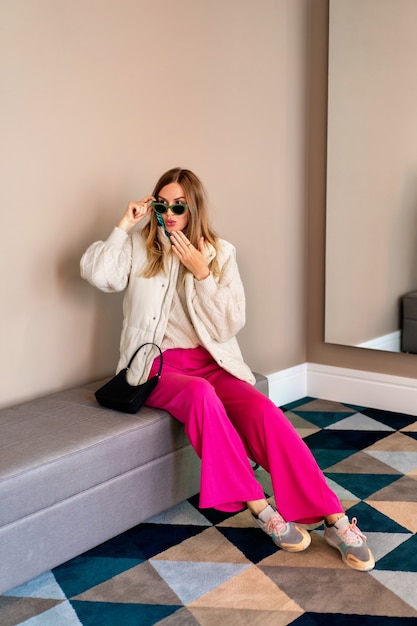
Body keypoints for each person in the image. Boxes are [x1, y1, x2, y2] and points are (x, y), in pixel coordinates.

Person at [80, 167, 375, 572]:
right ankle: (260, 507)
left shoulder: (221, 252)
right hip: (156, 365)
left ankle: (334, 518)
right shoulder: (138, 246)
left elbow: (228, 325)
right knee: (201, 396)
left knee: (264, 412)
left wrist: (202, 272)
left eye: (178, 206)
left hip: (212, 362)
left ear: (193, 208)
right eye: (162, 204)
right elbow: (97, 274)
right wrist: (123, 225)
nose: (169, 213)